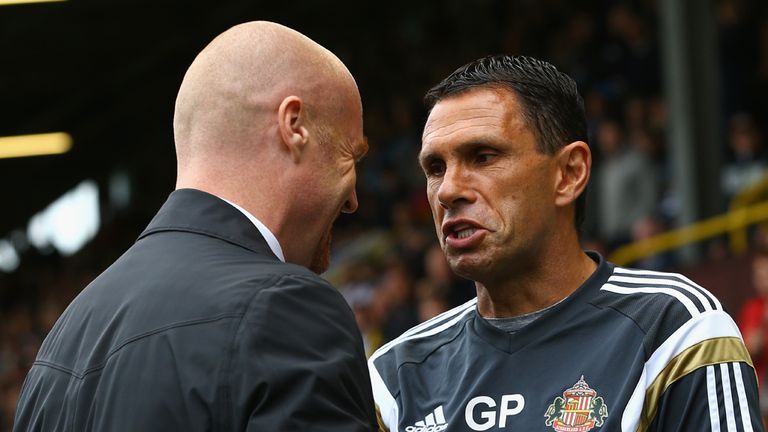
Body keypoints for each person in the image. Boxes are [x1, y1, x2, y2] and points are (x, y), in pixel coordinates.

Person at [14, 21, 376, 431]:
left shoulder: (58, 349)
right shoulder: (286, 306)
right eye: (349, 155)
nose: (353, 199)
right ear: (294, 127)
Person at [369, 55, 761, 431]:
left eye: (483, 157)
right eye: (435, 168)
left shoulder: (674, 329)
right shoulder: (394, 377)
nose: (447, 190)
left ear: (569, 173)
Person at [738, 249, 768, 427]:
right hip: (761, 387)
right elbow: (748, 350)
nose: (760, 277)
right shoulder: (752, 308)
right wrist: (763, 321)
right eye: (756, 273)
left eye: (764, 271)